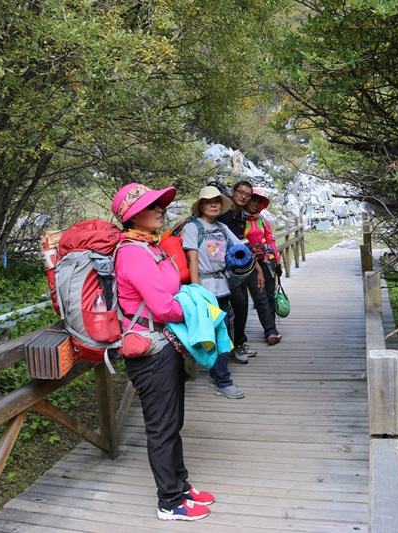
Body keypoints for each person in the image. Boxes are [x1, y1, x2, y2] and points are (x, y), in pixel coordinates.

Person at [111, 183, 213, 521]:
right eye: (151, 205)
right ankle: (169, 502)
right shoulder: (133, 252)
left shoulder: (150, 247)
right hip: (150, 352)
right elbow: (163, 306)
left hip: (163, 346)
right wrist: (199, 310)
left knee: (173, 422)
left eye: (159, 204)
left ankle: (180, 485)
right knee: (161, 427)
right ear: (132, 216)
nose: (160, 209)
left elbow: (170, 292)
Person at [182, 185, 246, 399]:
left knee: (222, 332)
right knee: (217, 333)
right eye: (209, 201)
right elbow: (192, 259)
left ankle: (216, 375)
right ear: (201, 205)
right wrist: (196, 291)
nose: (214, 205)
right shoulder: (192, 227)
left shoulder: (222, 228)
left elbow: (239, 249)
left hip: (222, 287)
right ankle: (223, 381)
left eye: (217, 201)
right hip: (205, 289)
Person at [216, 180, 263, 363]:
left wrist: (255, 267)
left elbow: (238, 242)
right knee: (235, 306)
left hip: (235, 268)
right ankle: (232, 346)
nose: (244, 196)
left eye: (248, 194)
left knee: (242, 304)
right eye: (241, 192)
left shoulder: (240, 216)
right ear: (232, 192)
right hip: (220, 269)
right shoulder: (223, 215)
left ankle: (238, 343)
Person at [243, 188, 283, 345]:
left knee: (270, 295)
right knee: (260, 297)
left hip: (266, 260)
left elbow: (270, 239)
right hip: (250, 263)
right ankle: (270, 331)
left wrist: (277, 261)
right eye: (253, 200)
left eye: (258, 202)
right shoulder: (240, 220)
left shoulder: (262, 220)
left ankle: (271, 328)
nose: (255, 204)